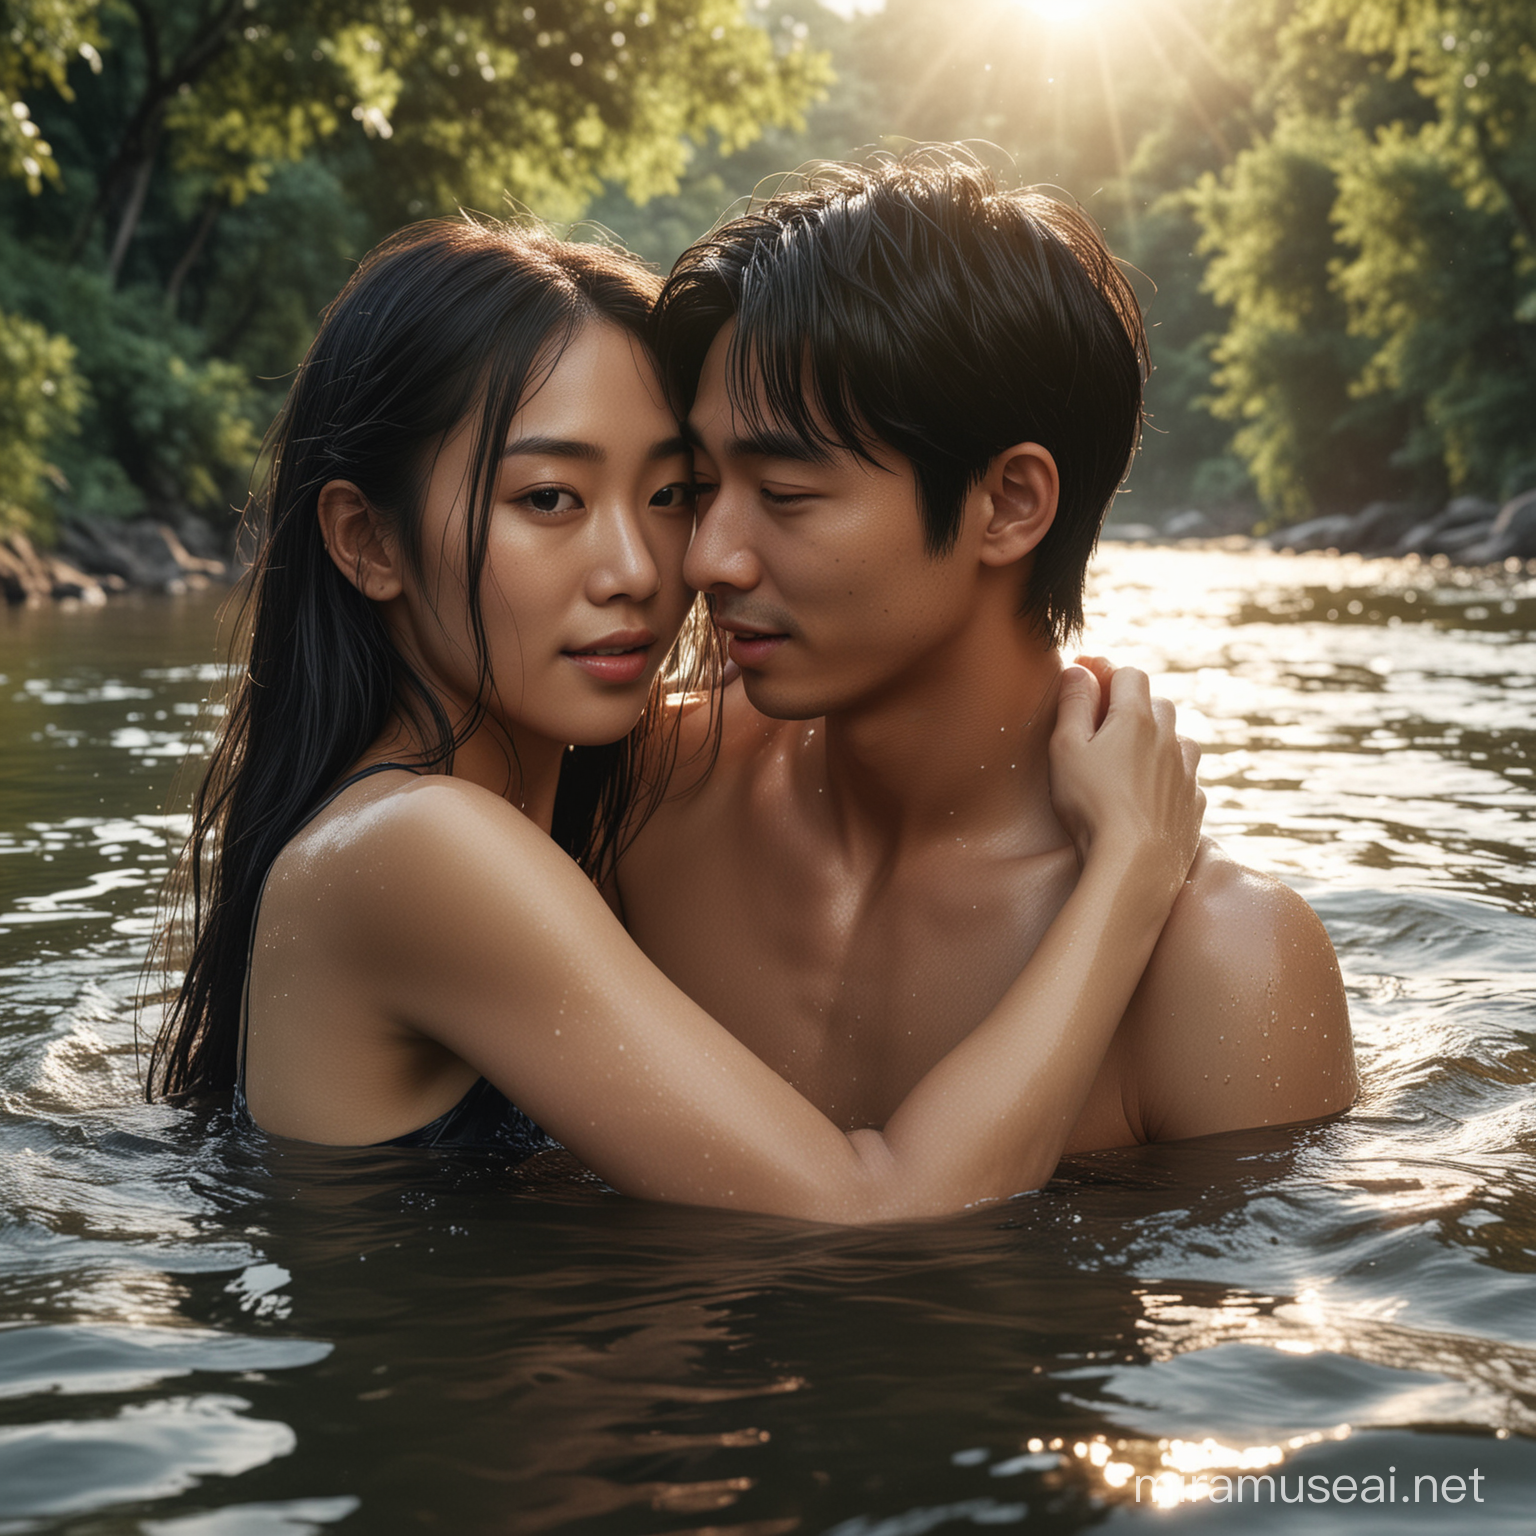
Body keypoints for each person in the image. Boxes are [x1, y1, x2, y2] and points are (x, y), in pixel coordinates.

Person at [146, 215, 1204, 1223]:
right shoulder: (416, 847)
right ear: (366, 541)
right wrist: (1130, 871)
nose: (650, 569)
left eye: (669, 493)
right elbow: (871, 1212)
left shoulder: (554, 805)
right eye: (550, 499)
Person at [615, 151, 1357, 1152]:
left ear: (1008, 504)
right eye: (699, 487)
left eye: (785, 495)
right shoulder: (642, 799)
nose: (706, 556)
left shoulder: (1223, 963)